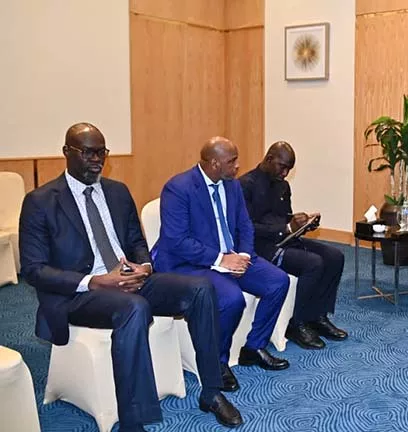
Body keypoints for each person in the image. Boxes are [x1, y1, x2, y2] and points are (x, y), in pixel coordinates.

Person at [19, 123, 242, 431]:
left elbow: (137, 242)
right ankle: (133, 422)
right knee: (134, 307)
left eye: (102, 152)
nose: (97, 160)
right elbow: (34, 269)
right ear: (67, 152)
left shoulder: (117, 192)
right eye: (88, 153)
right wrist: (95, 281)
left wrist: (145, 267)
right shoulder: (41, 201)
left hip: (129, 279)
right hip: (81, 293)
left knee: (201, 288)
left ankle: (211, 392)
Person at [152, 137, 291, 383]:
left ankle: (254, 347)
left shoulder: (232, 185)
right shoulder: (178, 188)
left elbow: (245, 225)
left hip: (231, 255)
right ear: (214, 163)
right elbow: (177, 241)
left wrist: (244, 255)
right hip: (191, 263)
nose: (237, 166)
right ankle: (217, 363)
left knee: (277, 281)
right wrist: (221, 259)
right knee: (231, 299)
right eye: (232, 161)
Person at [239, 141, 348, 350]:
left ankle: (317, 316)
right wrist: (286, 228)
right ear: (269, 159)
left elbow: (284, 218)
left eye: (289, 168)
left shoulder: (283, 185)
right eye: (282, 167)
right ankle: (297, 324)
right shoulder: (245, 185)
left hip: (285, 240)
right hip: (260, 248)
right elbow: (246, 228)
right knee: (313, 263)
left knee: (335, 256)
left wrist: (302, 224)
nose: (285, 173)